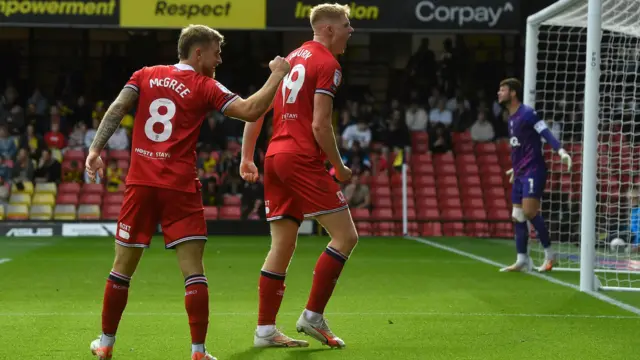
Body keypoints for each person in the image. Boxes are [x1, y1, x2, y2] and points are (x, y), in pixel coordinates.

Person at [85, 24, 291, 360]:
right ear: (198, 53)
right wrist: (277, 75)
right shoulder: (204, 85)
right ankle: (198, 351)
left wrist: (95, 148)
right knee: (193, 270)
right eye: (216, 52)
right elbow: (251, 111)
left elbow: (117, 109)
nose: (219, 59)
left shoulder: (145, 75)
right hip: (180, 187)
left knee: (122, 267)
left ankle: (106, 344)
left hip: (141, 184)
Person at [240, 3, 357, 349]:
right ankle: (313, 315)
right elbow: (320, 124)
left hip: (275, 157)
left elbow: (256, 108)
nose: (351, 31)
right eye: (347, 25)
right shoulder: (328, 64)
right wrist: (338, 165)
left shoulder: (290, 59)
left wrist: (247, 156)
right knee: (345, 237)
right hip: (301, 158)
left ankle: (264, 331)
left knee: (282, 245)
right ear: (330, 29)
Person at [497, 78, 572, 273]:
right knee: (517, 215)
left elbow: (544, 132)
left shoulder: (528, 113)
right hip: (521, 171)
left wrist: (560, 151)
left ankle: (550, 254)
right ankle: (522, 259)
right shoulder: (511, 118)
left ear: (512, 93)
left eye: (502, 90)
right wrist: (515, 167)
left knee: (530, 212)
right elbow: (521, 146)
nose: (499, 93)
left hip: (534, 170)